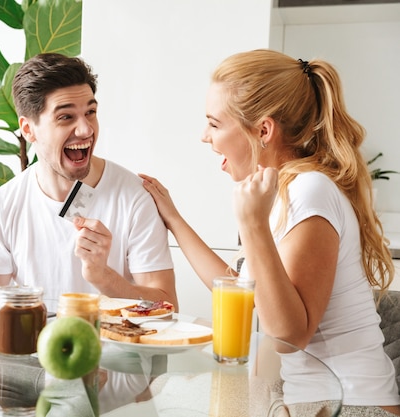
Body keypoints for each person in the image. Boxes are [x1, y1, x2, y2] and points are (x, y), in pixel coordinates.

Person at [139, 49, 400, 415]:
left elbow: (290, 337)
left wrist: (252, 224)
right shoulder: (284, 192)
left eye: (214, 124)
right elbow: (238, 288)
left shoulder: (309, 191)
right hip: (313, 400)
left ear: (263, 130)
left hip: (354, 405)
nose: (204, 136)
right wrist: (175, 220)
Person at [0, 53, 177, 310]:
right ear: (28, 129)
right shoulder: (4, 204)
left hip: (115, 349)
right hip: (34, 348)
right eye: (66, 117)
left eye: (90, 112)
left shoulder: (134, 197)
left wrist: (103, 276)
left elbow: (168, 305)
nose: (86, 130)